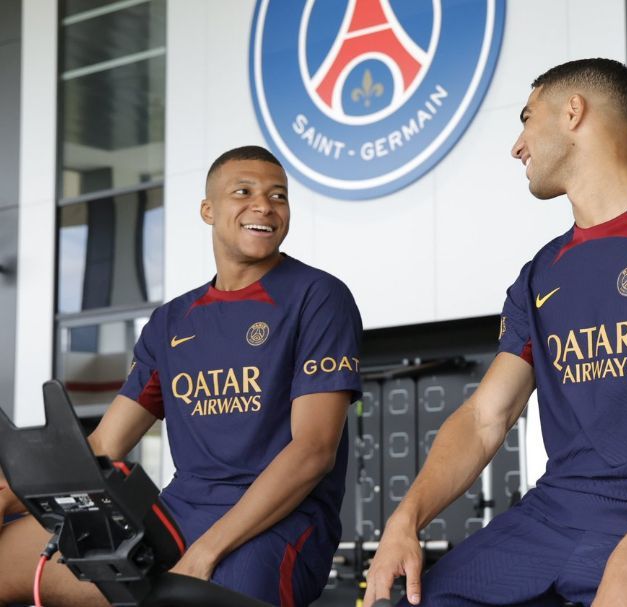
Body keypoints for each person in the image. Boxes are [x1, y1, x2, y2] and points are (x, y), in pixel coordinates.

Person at [364, 58, 627, 607]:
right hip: (554, 515)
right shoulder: (541, 273)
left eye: (528, 118)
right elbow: (487, 417)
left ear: (573, 112)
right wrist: (404, 520)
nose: (518, 146)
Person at [0, 145, 363, 607]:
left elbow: (313, 451)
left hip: (276, 523)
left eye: (279, 196)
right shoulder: (171, 322)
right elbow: (103, 447)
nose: (264, 206)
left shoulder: (318, 297)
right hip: (176, 514)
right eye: (244, 192)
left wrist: (204, 553)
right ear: (208, 210)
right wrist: (9, 499)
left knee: (194, 596)